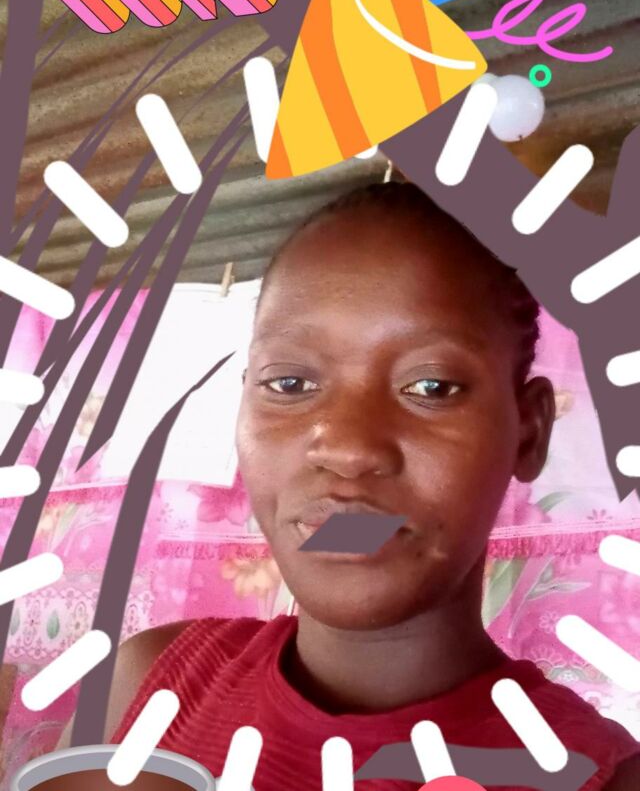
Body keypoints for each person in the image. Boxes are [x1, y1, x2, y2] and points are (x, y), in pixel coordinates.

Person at [57, 181, 640, 790]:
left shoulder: (599, 778)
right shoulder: (144, 686)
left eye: (431, 387)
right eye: (289, 384)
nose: (346, 449)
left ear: (529, 432)